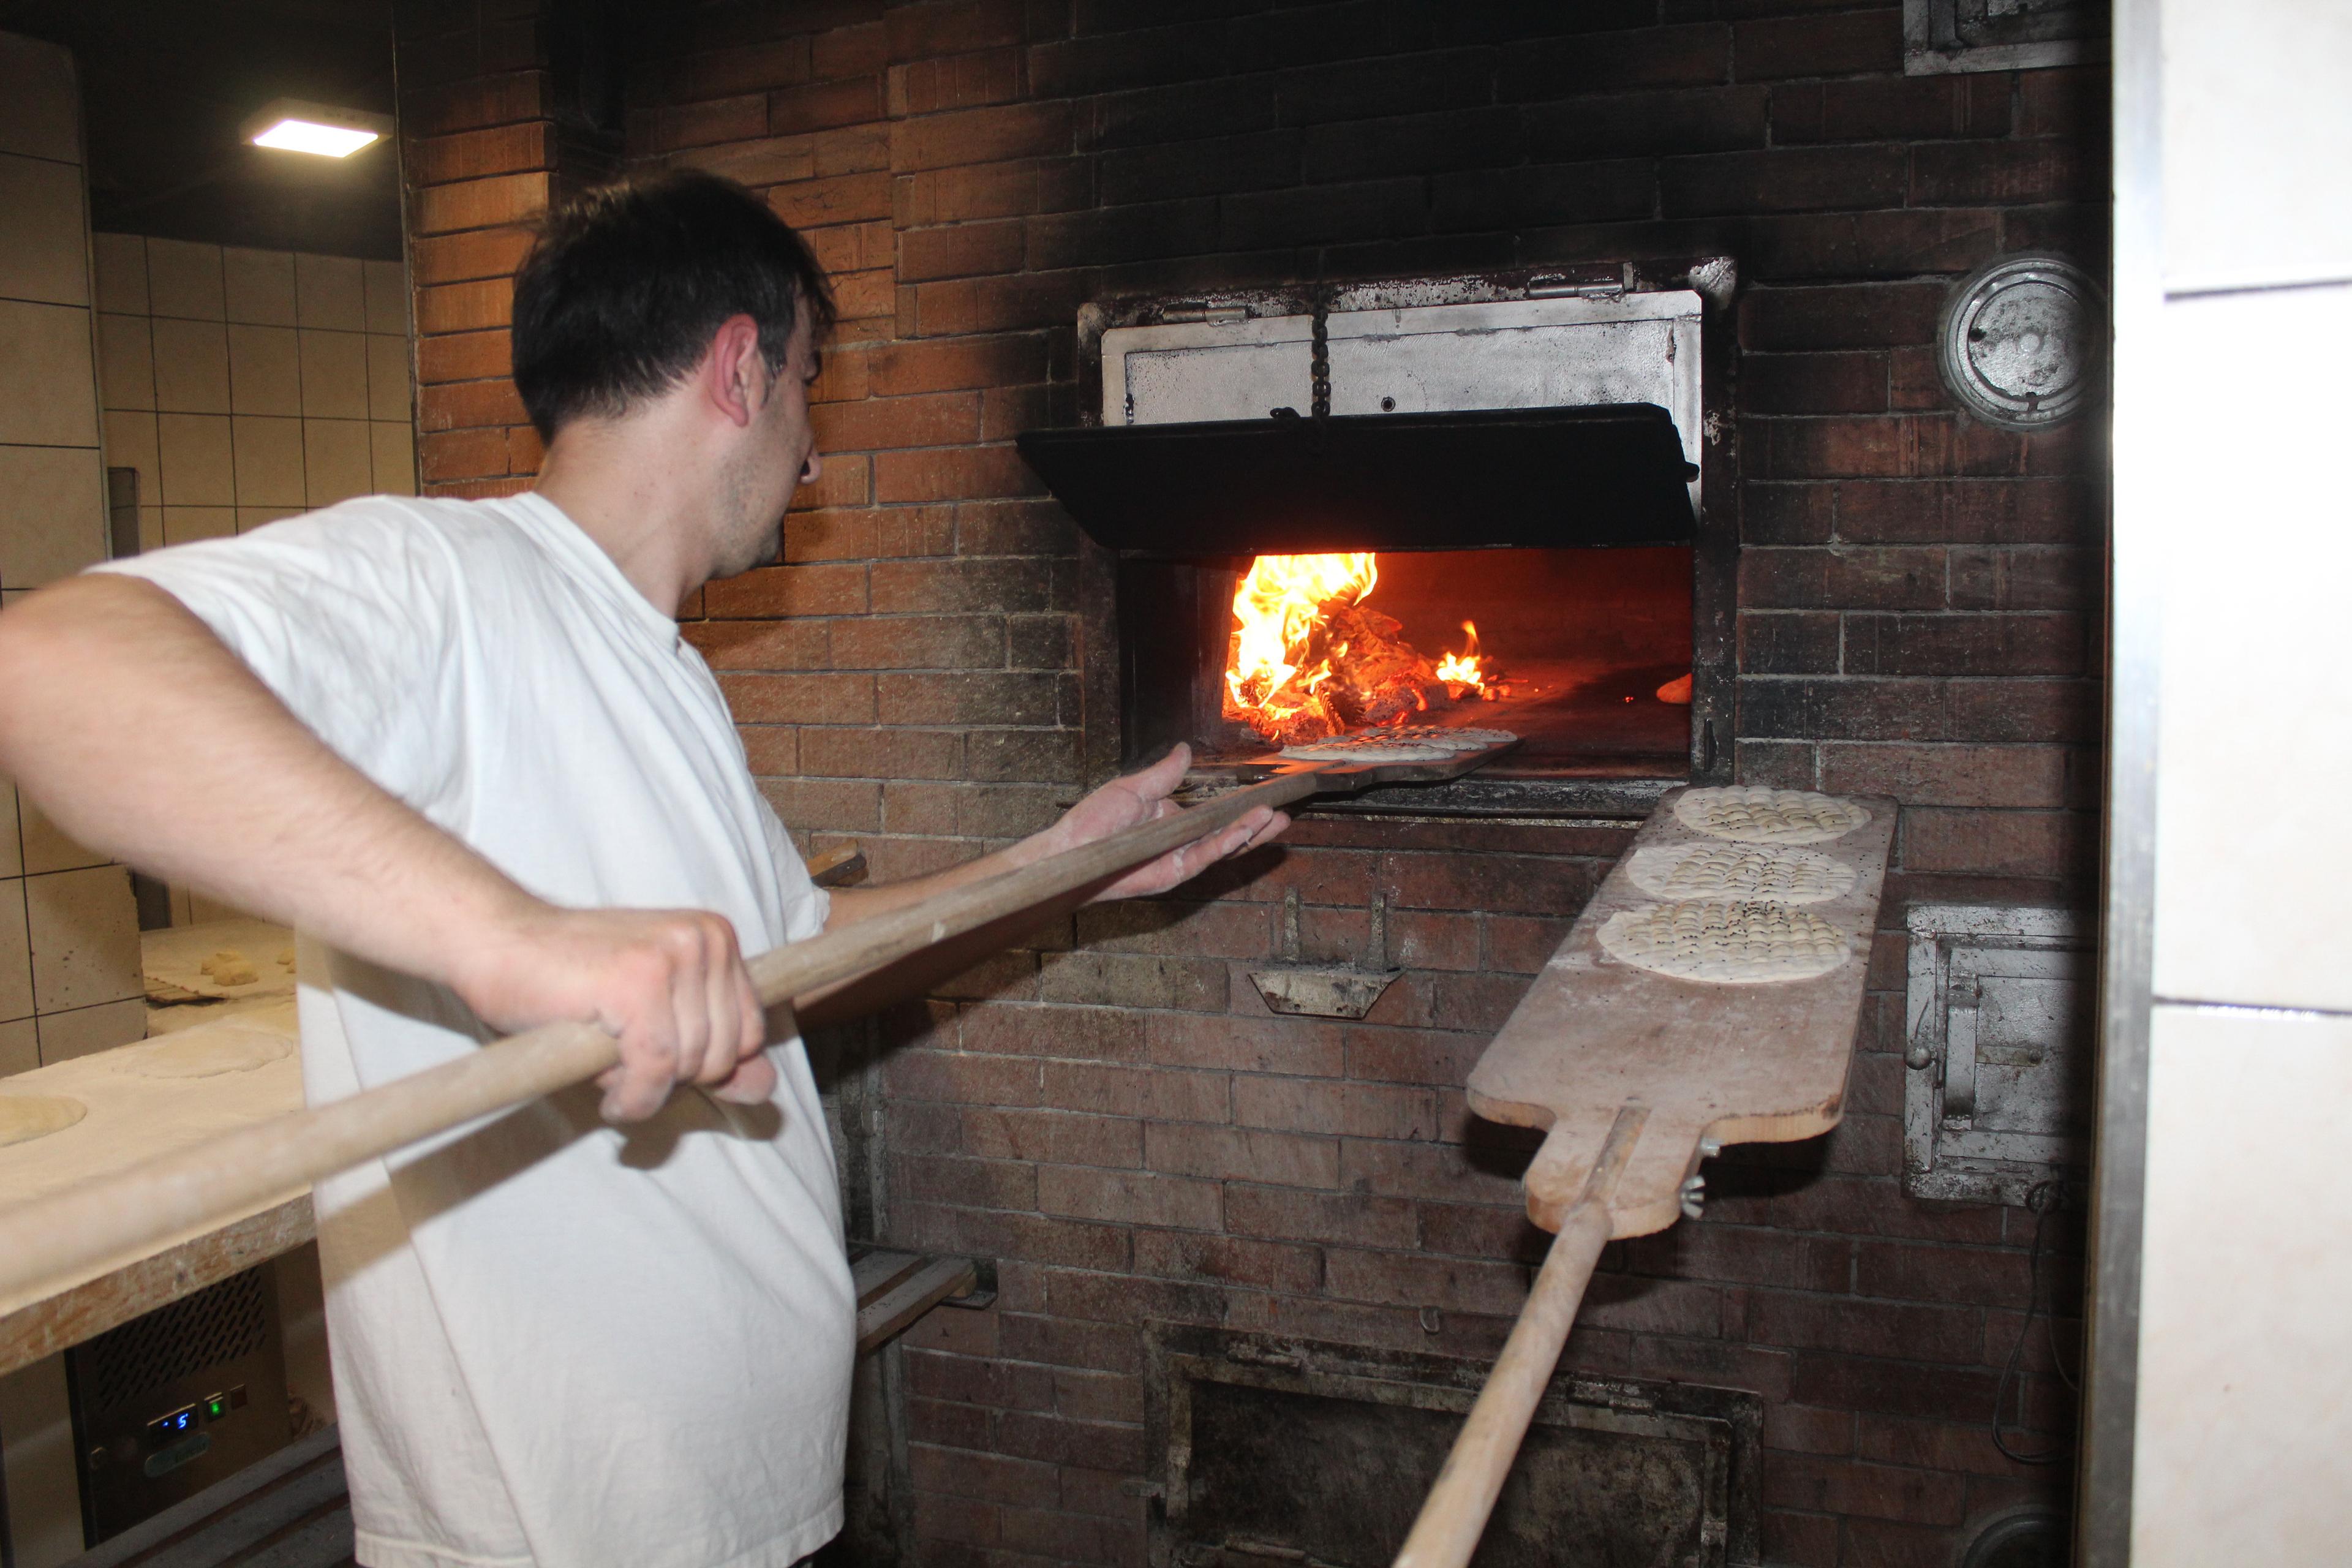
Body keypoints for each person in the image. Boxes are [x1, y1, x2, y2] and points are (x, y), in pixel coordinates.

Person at [0, 170, 1285, 1568]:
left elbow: (798, 947)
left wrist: (1054, 873)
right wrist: (515, 938)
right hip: (566, 1530)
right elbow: (56, 668)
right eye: (808, 387)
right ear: (740, 368)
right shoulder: (452, 578)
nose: (811, 457)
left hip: (738, 1504)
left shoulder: (660, 667)